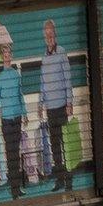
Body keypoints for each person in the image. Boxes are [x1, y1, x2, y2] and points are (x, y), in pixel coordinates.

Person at [39, 20, 72, 191]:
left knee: (65, 144)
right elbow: (43, 83)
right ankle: (60, 180)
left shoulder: (62, 53)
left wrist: (69, 102)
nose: (49, 38)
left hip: (61, 106)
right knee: (55, 148)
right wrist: (40, 103)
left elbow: (67, 78)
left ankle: (69, 180)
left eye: (51, 35)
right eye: (47, 36)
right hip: (50, 108)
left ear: (55, 35)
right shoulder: (44, 57)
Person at [0, 41, 25, 199]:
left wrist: (24, 113)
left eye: (8, 55)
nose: (7, 58)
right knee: (10, 154)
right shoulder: (0, 77)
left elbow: (20, 96)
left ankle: (17, 188)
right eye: (4, 55)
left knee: (16, 154)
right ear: (2, 58)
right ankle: (14, 189)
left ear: (11, 57)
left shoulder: (16, 75)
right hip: (6, 119)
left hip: (17, 117)